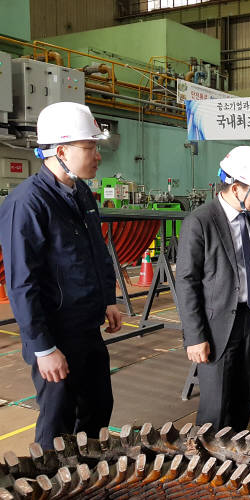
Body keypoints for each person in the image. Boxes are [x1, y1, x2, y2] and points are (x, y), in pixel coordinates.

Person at [0, 102, 122, 450]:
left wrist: (108, 299)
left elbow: (97, 251)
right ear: (62, 150)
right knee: (57, 423)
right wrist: (43, 347)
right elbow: (21, 283)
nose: (97, 155)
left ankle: (88, 478)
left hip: (88, 326)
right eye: (90, 147)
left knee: (98, 409)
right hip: (56, 335)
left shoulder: (81, 192)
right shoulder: (28, 204)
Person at [176, 145, 250, 432]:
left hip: (247, 316)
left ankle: (235, 457)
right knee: (216, 406)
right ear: (237, 187)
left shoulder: (249, 215)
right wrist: (194, 337)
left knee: (243, 396)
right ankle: (207, 464)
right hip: (216, 324)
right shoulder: (201, 221)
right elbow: (186, 281)